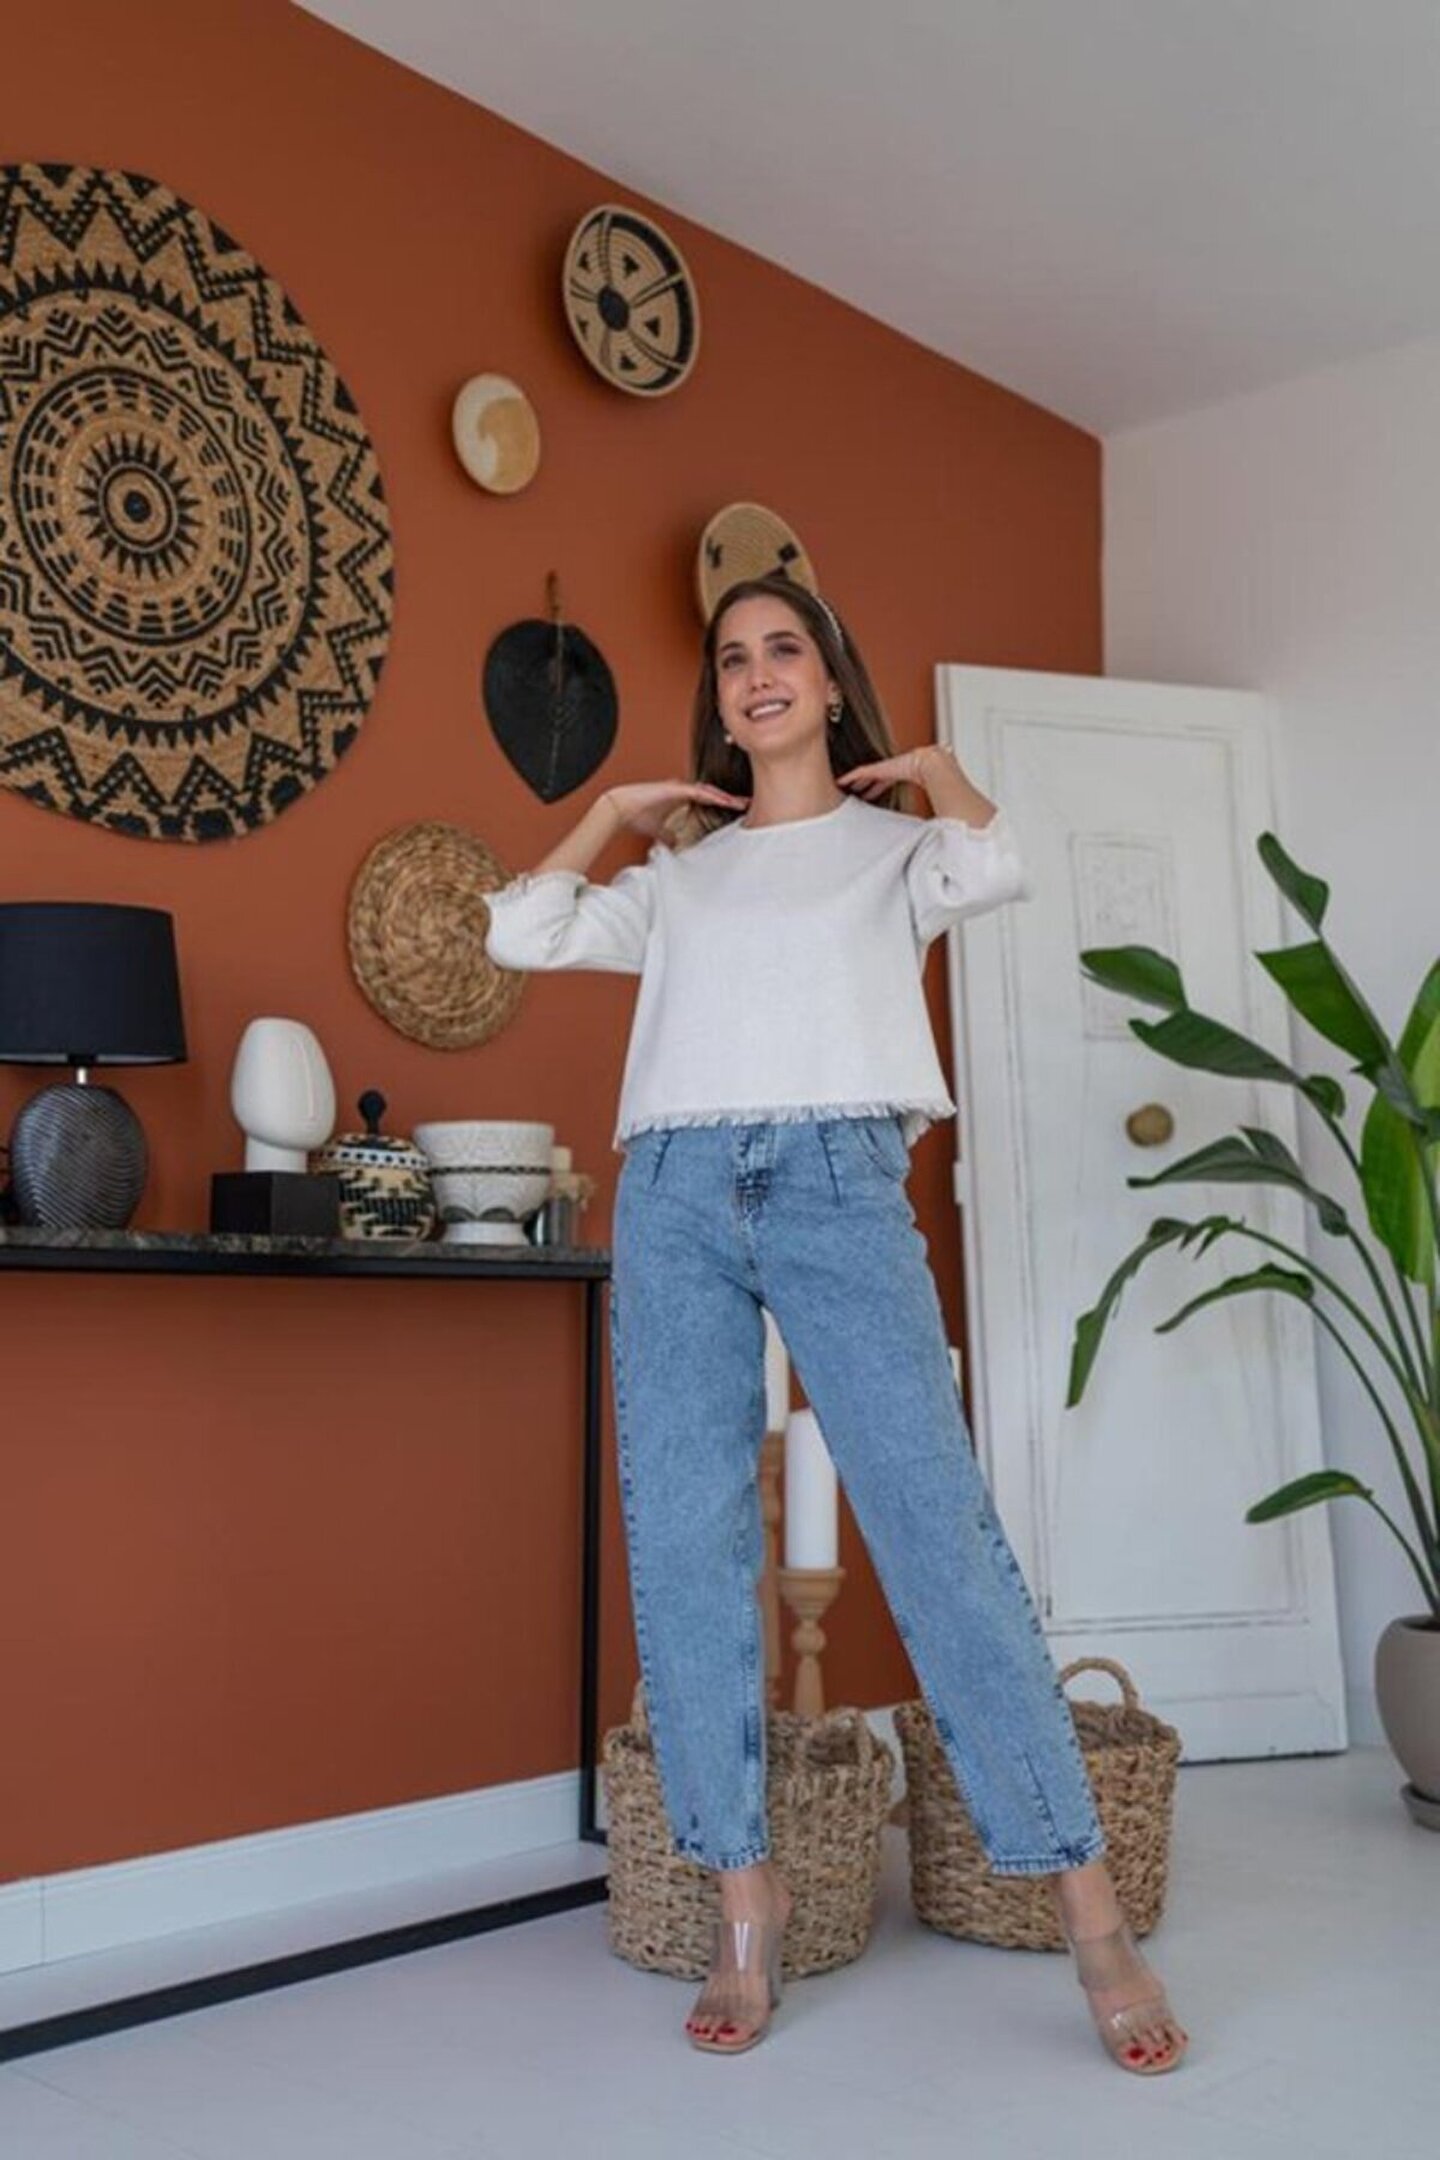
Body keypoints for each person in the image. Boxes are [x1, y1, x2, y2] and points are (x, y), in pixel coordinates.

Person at [482, 574, 1189, 2074]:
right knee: (686, 1538)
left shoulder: (899, 848)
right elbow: (521, 932)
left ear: (827, 675)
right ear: (720, 699)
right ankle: (745, 1902)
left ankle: (1089, 1909)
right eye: (733, 658)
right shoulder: (681, 877)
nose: (756, 676)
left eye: (783, 650)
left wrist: (937, 771)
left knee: (938, 1532)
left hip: (835, 1182)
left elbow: (998, 864)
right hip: (674, 1191)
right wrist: (610, 816)